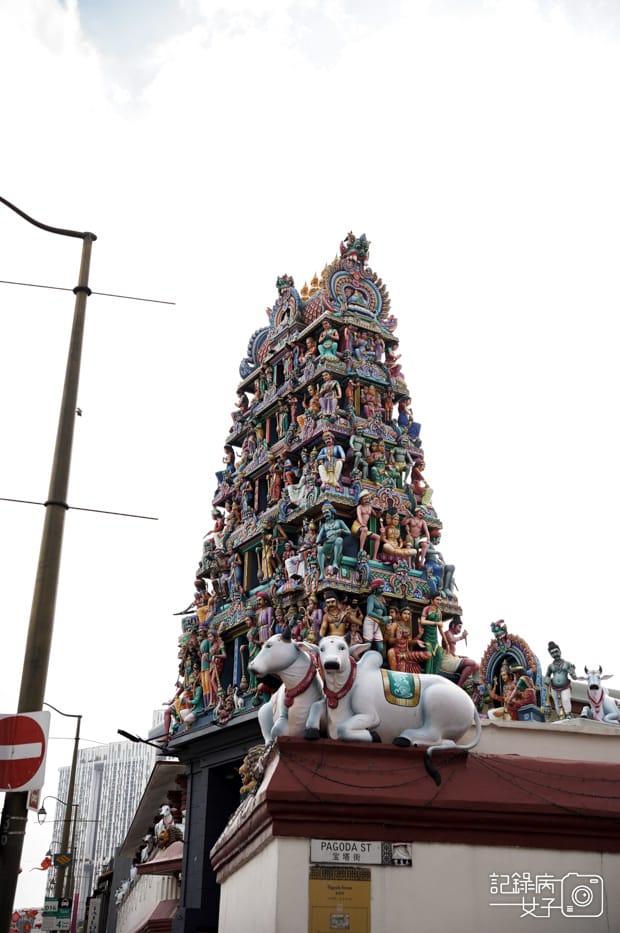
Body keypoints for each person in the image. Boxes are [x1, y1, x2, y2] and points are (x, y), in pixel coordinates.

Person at [441, 619, 479, 687]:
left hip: (452, 659)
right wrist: (462, 637)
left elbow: (452, 653)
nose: (460, 630)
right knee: (472, 662)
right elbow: (451, 640)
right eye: (459, 627)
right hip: (447, 661)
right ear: (453, 625)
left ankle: (476, 689)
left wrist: (460, 657)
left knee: (476, 666)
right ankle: (459, 686)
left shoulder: (451, 635)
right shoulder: (447, 633)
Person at [543, 641, 577, 720]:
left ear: (560, 651)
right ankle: (560, 716)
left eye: (556, 651)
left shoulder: (567, 663)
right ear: (550, 655)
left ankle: (568, 714)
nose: (555, 654)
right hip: (554, 687)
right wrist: (547, 680)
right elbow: (547, 675)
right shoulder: (550, 666)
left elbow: (575, 677)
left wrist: (572, 673)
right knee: (556, 703)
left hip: (565, 686)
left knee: (565, 700)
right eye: (552, 653)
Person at [316, 502, 350, 578]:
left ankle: (335, 562)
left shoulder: (339, 522)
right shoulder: (324, 525)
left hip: (335, 544)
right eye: (324, 513)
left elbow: (349, 532)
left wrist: (341, 530)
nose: (325, 515)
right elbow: (320, 536)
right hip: (326, 545)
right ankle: (322, 572)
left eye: (327, 512)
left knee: (339, 539)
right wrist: (317, 543)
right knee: (320, 548)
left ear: (332, 512)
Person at [420, 594, 447, 674]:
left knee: (439, 657)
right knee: (429, 656)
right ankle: (428, 676)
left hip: (435, 640)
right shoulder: (427, 609)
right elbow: (422, 621)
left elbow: (440, 628)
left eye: (440, 600)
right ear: (432, 600)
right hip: (427, 638)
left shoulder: (439, 612)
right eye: (437, 599)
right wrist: (436, 623)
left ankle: (435, 676)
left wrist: (446, 641)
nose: (439, 601)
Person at [363, 579, 390, 655]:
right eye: (380, 588)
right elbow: (369, 612)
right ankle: (366, 663)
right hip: (369, 622)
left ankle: (377, 661)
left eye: (382, 587)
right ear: (375, 589)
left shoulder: (382, 599)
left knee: (381, 647)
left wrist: (387, 618)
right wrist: (381, 618)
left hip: (377, 624)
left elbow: (384, 612)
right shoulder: (371, 598)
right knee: (368, 646)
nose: (382, 590)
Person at [353, 490, 381, 560]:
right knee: (365, 529)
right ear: (361, 500)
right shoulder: (359, 507)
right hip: (356, 526)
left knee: (377, 537)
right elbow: (359, 516)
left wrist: (381, 511)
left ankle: (374, 557)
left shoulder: (370, 507)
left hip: (364, 528)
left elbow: (376, 516)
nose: (367, 500)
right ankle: (361, 550)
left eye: (368, 499)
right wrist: (362, 523)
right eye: (365, 499)